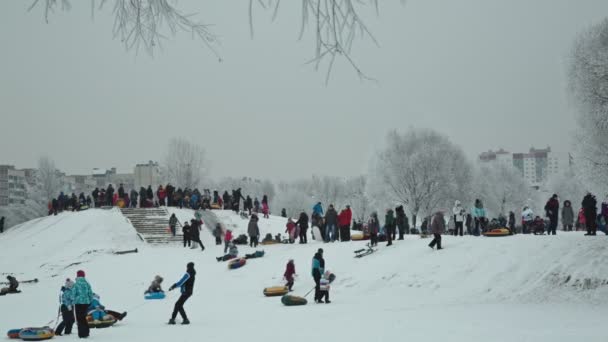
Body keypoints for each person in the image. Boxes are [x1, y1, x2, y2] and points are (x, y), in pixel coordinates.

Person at [72, 270, 94, 338]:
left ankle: (82, 334)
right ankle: (86, 332)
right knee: (84, 317)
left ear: (77, 275)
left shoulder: (76, 284)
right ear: (84, 275)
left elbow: (73, 295)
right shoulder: (87, 284)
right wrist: (89, 301)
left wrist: (74, 300)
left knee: (79, 318)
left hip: (78, 303)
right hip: (86, 303)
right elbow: (90, 294)